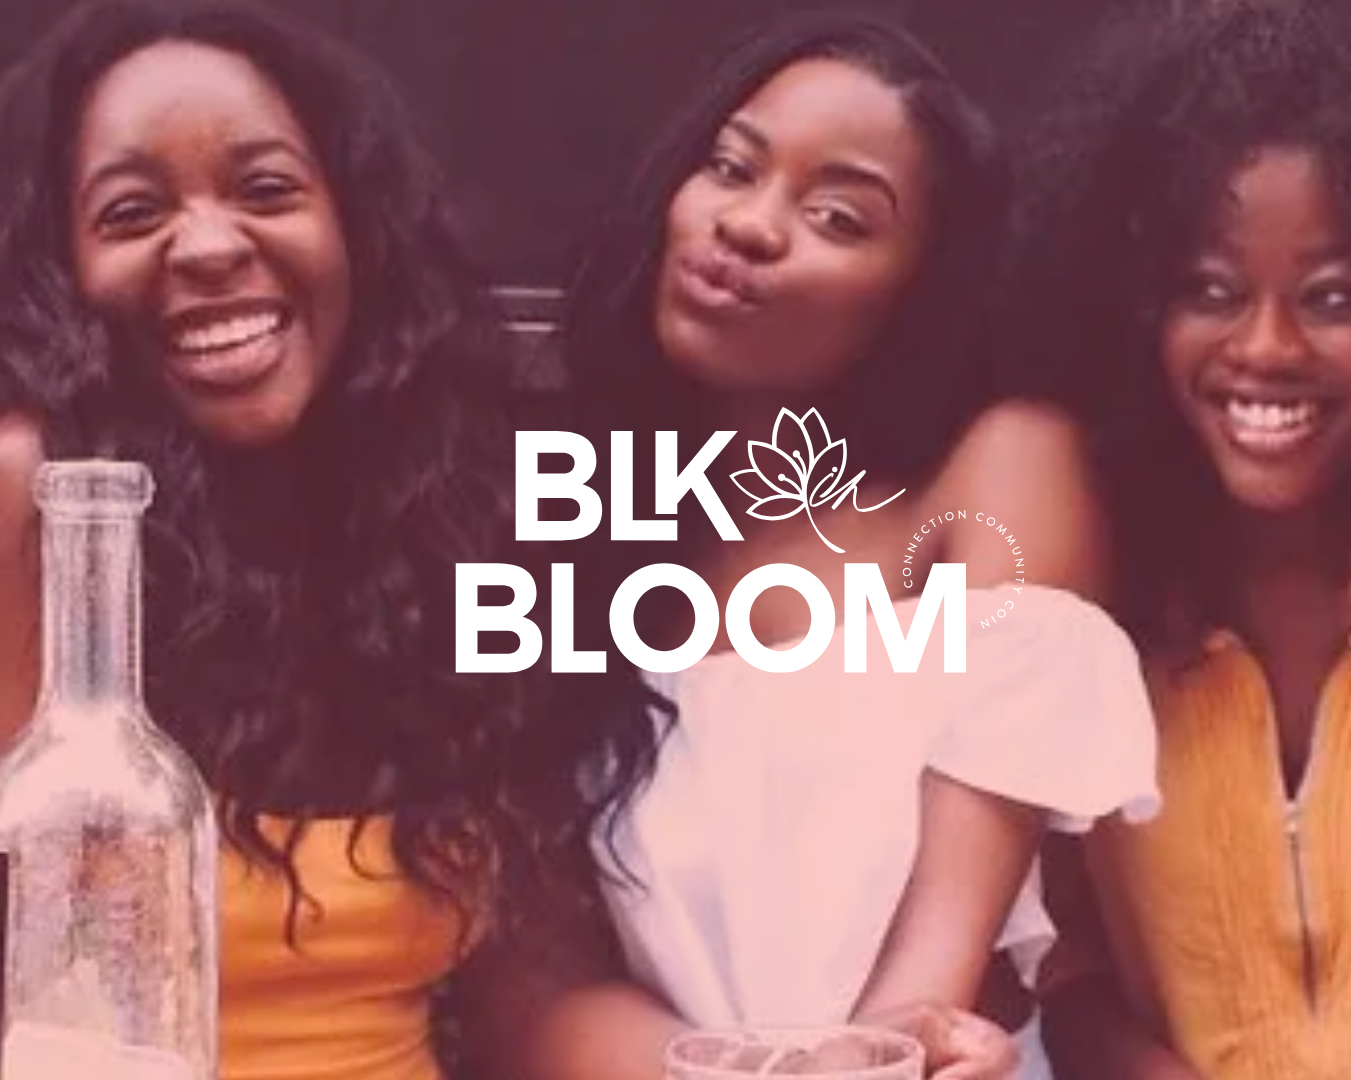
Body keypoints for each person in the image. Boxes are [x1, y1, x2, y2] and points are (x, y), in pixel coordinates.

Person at [0, 3, 639, 1079]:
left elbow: (531, 999)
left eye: (265, 190)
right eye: (129, 212)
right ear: (58, 270)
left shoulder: (448, 525)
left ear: (356, 228)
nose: (207, 246)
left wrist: (770, 1063)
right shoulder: (43, 506)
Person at [518, 14, 1160, 1080]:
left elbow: (937, 960)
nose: (750, 225)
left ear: (916, 292)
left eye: (836, 216)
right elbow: (531, 991)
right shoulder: (586, 536)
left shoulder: (996, 477)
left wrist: (859, 1061)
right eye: (730, 167)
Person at [997, 1, 1351, 1077]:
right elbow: (1058, 962)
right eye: (1208, 290)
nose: (1263, 347)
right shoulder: (1099, 616)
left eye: (1334, 296)